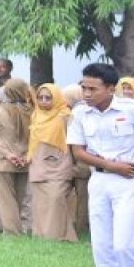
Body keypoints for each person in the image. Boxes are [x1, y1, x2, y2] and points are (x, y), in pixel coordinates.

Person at [68, 63, 134, 267]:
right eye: (84, 88)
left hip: (128, 182)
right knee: (101, 243)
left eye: (92, 89)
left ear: (110, 88)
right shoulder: (80, 113)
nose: (86, 94)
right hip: (99, 179)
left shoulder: (133, 109)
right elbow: (78, 151)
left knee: (126, 243)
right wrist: (112, 166)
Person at [27, 83, 76, 242]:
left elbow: (74, 143)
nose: (43, 101)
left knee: (56, 199)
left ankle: (59, 235)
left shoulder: (66, 116)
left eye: (48, 98)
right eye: (40, 97)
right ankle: (41, 235)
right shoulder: (35, 115)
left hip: (59, 164)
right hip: (38, 163)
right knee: (40, 202)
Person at [0, 78, 33, 235]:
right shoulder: (32, 111)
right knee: (21, 199)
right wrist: (25, 155)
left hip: (2, 161)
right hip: (25, 161)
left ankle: (12, 233)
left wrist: (8, 154)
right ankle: (22, 228)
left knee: (5, 200)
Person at [62, 83, 92, 236]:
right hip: (86, 164)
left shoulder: (77, 113)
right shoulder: (87, 110)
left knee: (83, 200)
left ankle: (81, 229)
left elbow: (72, 142)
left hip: (82, 164)